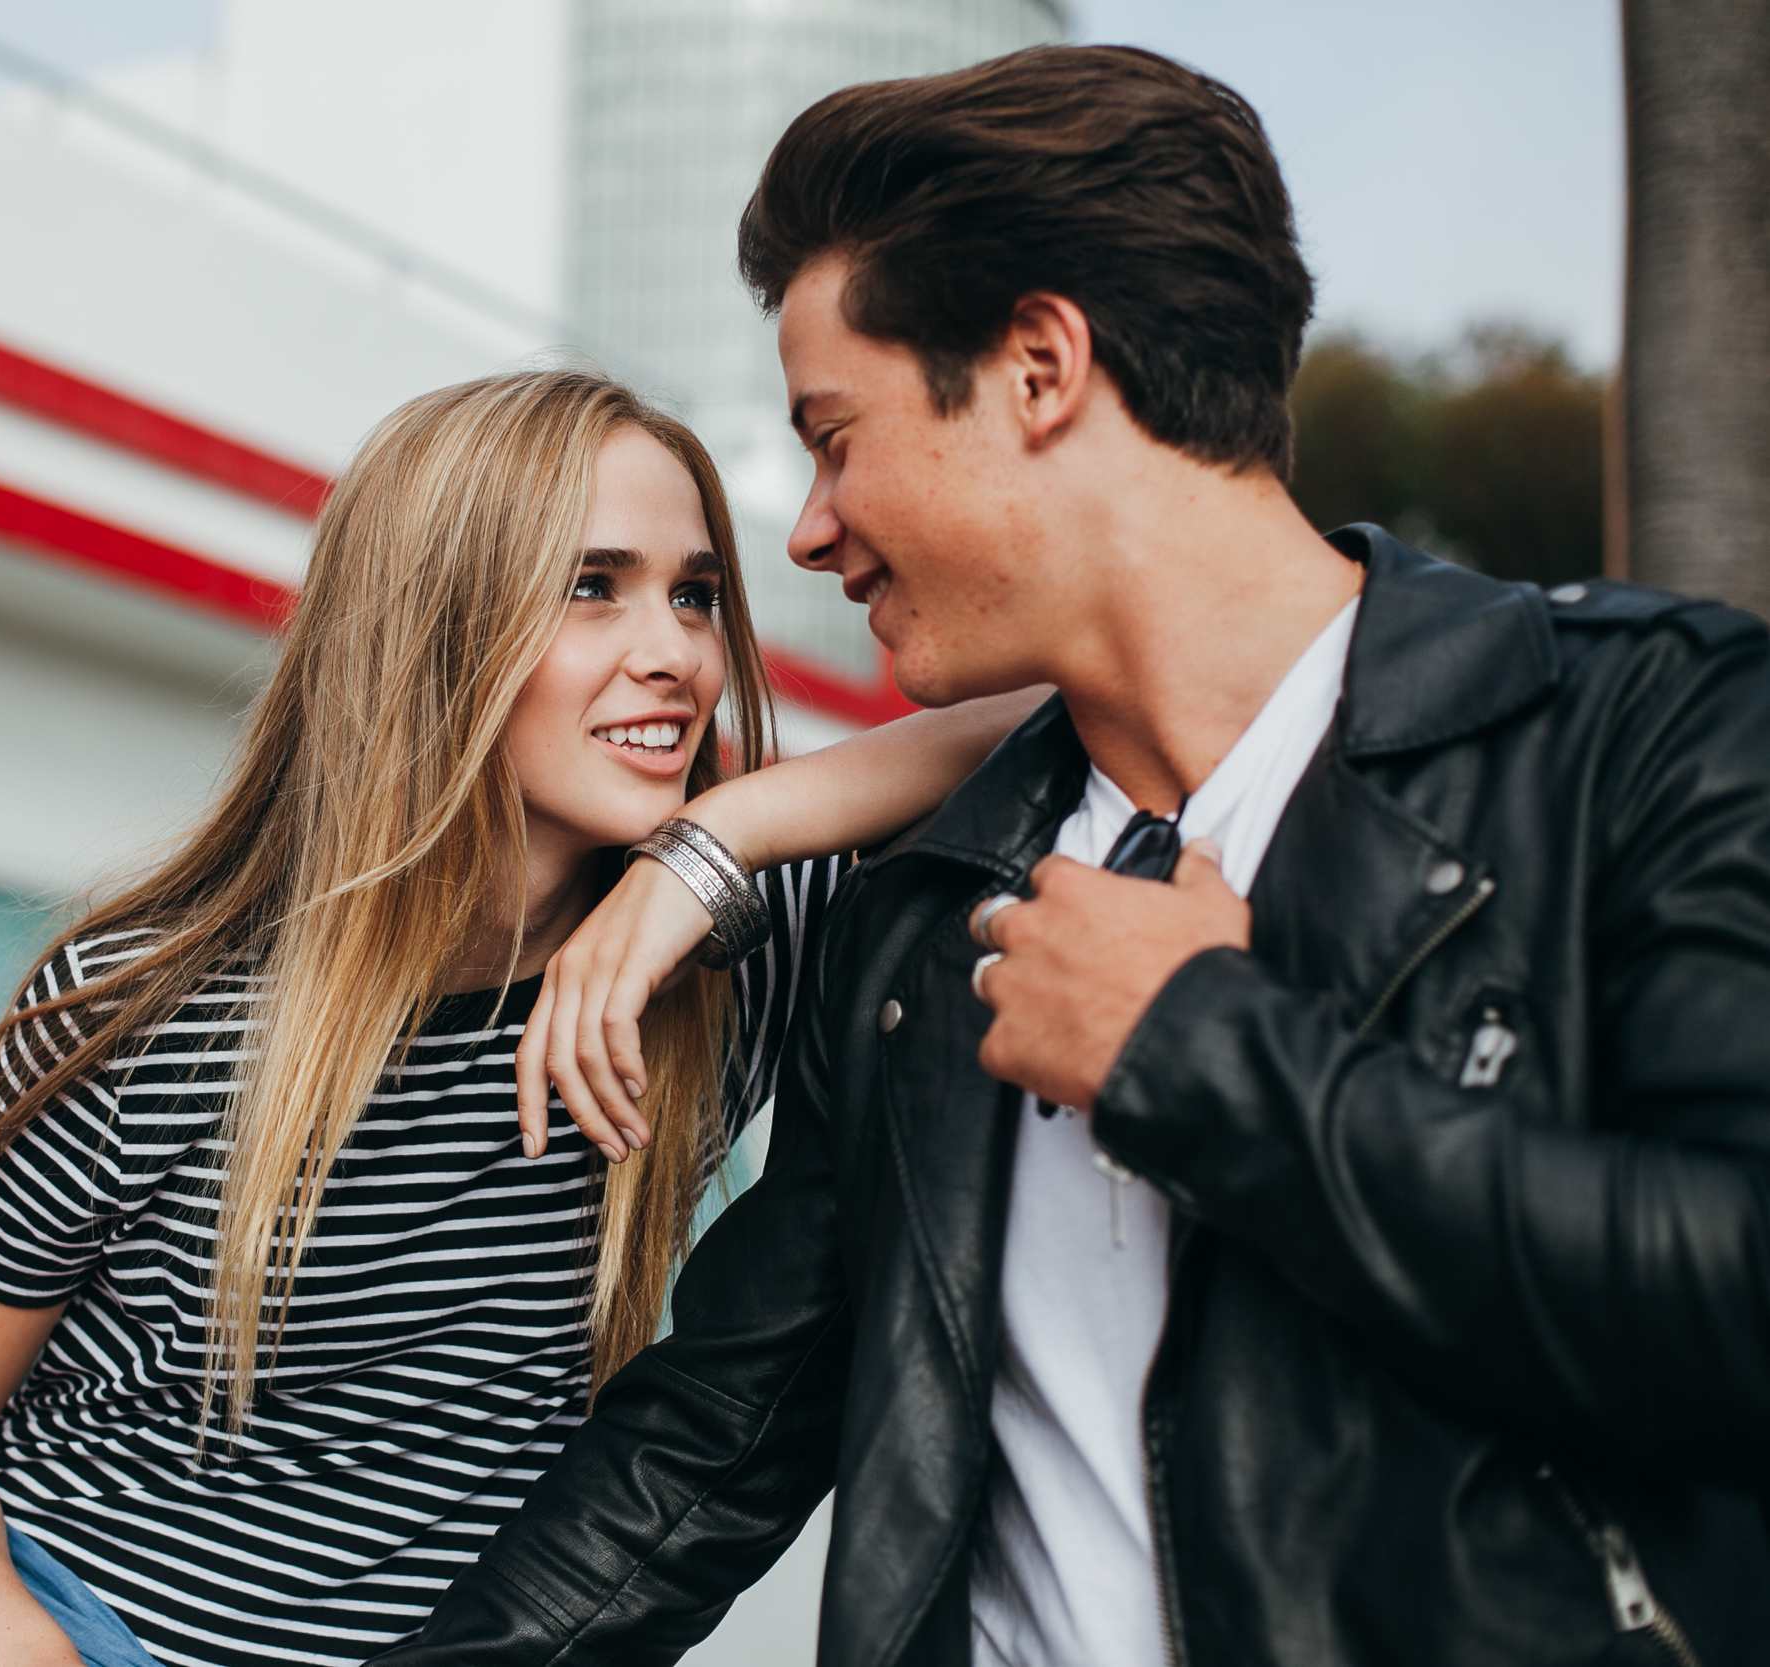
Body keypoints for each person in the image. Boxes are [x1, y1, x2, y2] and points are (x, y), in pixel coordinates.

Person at [378, 44, 1770, 1667]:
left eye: (835, 435)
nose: (812, 527)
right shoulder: (920, 906)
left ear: (1041, 365)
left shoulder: (1647, 731)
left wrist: (1203, 1053)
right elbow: (709, 1445)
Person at [0, 368, 1035, 1667]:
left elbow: (1059, 710)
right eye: (590, 585)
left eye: (693, 594)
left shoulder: (720, 953)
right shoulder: (153, 1011)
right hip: (70, 1629)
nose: (676, 654)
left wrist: (726, 833)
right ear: (433, 629)